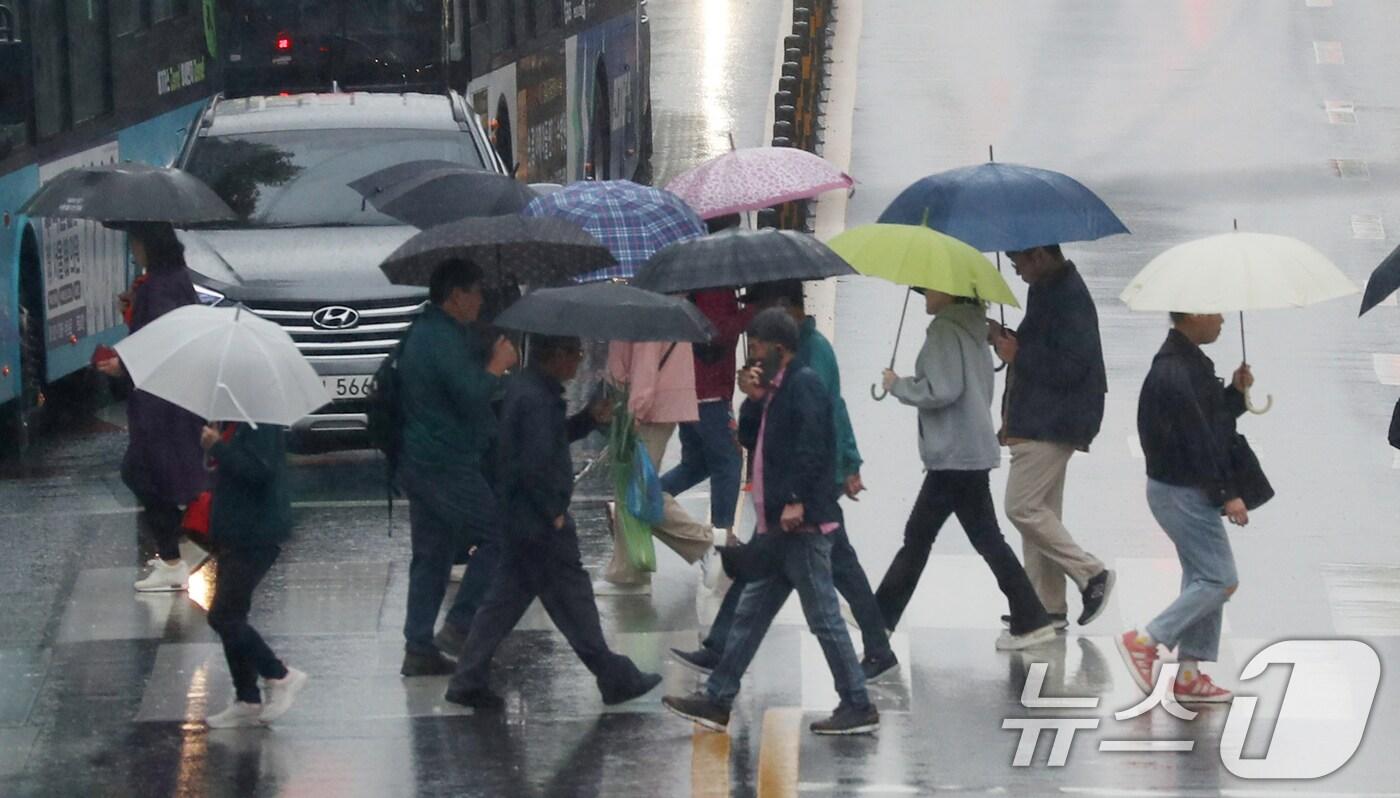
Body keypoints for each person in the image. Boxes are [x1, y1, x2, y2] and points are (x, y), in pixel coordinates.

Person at [662, 309, 879, 736]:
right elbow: (746, 438)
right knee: (748, 617)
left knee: (823, 619)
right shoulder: (776, 390)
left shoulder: (804, 385)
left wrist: (797, 501)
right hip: (778, 529)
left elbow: (814, 448)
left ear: (780, 349)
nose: (753, 357)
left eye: (758, 348)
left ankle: (857, 703)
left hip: (803, 527)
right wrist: (753, 399)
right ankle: (718, 699)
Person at [445, 334, 663, 710]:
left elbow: (546, 441)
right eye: (575, 354)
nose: (579, 362)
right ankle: (614, 676)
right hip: (540, 520)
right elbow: (535, 461)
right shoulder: (536, 400)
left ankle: (468, 677)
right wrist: (553, 510)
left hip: (520, 516)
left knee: (504, 600)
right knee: (572, 599)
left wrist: (585, 421)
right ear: (556, 355)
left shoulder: (528, 390)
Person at [875, 289, 1056, 649]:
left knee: (920, 538)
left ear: (948, 292)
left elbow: (942, 389)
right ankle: (1030, 616)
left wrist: (899, 386)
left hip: (954, 454)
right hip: (968, 450)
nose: (923, 294)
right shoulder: (974, 328)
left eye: (927, 289)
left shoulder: (944, 330)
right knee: (978, 539)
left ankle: (879, 619)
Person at [1116, 312, 1252, 703]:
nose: (1223, 319)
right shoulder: (1177, 370)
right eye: (1215, 311)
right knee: (1220, 580)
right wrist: (1228, 493)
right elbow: (1201, 440)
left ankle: (1189, 673)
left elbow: (1210, 422)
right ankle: (1145, 639)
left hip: (1180, 487)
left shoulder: (1186, 362)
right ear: (1194, 314)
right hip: (1181, 490)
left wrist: (1235, 394)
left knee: (1202, 578)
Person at [396, 258, 518, 676]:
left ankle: (418, 646)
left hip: (422, 458)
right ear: (455, 296)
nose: (481, 300)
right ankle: (459, 624)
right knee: (498, 537)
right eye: (476, 291)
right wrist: (497, 366)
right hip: (446, 460)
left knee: (431, 555)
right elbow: (470, 394)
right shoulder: (440, 339)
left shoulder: (429, 332)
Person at [990, 244, 1115, 628]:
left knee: (1022, 508)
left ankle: (1091, 573)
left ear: (1040, 256)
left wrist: (1017, 355)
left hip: (1052, 420)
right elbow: (1047, 348)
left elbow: (1071, 366)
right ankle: (1046, 606)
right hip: (1045, 418)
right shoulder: (1049, 288)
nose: (1017, 272)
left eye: (1018, 264)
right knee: (1042, 516)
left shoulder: (1067, 295)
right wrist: (1008, 339)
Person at [96, 222, 206, 592]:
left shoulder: (158, 287)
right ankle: (179, 547)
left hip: (161, 402)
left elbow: (160, 340)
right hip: (174, 397)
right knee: (157, 472)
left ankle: (176, 554)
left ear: (148, 244)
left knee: (140, 471)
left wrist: (121, 366)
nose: (132, 250)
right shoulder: (172, 279)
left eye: (135, 242)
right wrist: (133, 308)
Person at [201, 421, 307, 728]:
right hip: (236, 532)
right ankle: (247, 698)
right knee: (234, 615)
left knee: (223, 616)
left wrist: (218, 447)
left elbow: (259, 472)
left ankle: (279, 675)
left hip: (256, 534)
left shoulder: (258, 421)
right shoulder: (233, 419)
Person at [600, 338, 717, 593]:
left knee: (639, 491)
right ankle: (628, 572)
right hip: (646, 404)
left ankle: (703, 542)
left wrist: (636, 410)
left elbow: (645, 360)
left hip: (647, 409)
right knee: (628, 491)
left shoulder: (642, 308)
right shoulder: (650, 305)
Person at [658, 289, 752, 554]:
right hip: (708, 391)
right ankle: (722, 537)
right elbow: (716, 332)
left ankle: (641, 499)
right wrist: (749, 315)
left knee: (697, 464)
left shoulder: (702, 285)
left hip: (692, 385)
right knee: (728, 461)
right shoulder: (714, 290)